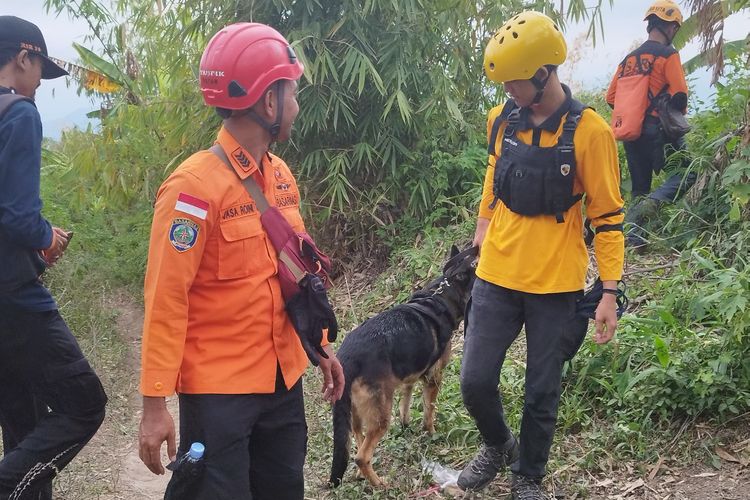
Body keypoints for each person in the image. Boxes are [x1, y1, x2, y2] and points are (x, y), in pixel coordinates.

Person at [137, 22, 345, 500]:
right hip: (218, 396)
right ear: (268, 102)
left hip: (282, 385)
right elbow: (166, 298)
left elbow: (293, 277)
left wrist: (320, 345)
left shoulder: (283, 177)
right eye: (291, 92)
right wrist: (154, 405)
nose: (296, 105)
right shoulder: (192, 189)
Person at [457, 11, 625, 499]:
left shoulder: (590, 133)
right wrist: (483, 224)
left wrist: (609, 291)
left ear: (543, 74)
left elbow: (609, 218)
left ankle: (527, 474)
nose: (507, 89)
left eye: (514, 80)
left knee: (541, 389)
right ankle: (498, 444)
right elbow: (494, 173)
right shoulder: (500, 121)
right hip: (496, 274)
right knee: (474, 380)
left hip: (556, 283)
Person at [0, 15, 107, 500]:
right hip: (13, 299)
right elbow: (18, 218)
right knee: (84, 404)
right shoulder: (19, 113)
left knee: (23, 420)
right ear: (23, 58)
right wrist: (46, 237)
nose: (40, 81)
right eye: (39, 67)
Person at [606, 0, 696, 247]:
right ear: (670, 28)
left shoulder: (627, 60)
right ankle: (653, 204)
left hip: (631, 131)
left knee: (639, 188)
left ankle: (634, 240)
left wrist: (635, 110)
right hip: (659, 130)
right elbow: (680, 96)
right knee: (687, 174)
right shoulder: (668, 54)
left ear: (651, 25)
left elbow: (610, 97)